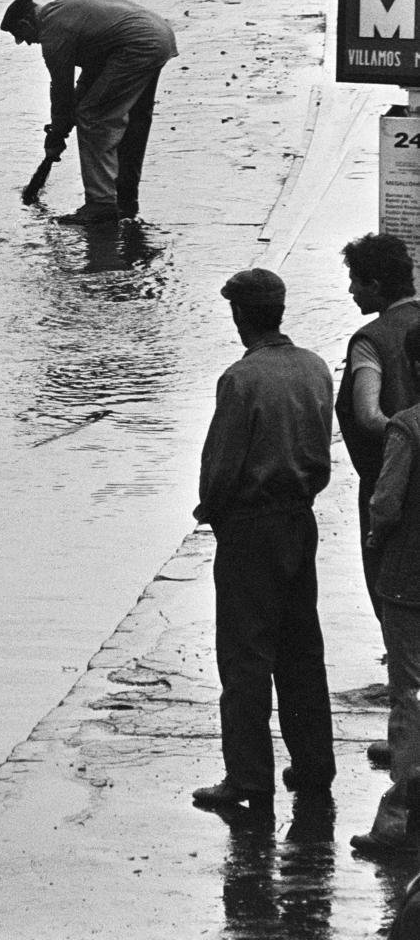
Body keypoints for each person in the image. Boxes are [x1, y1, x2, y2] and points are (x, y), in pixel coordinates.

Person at [192, 268, 336, 813]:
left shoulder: (241, 379)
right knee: (302, 648)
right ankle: (314, 764)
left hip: (252, 527)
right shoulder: (315, 368)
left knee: (245, 655)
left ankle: (249, 777)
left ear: (239, 316)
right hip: (301, 519)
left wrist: (212, 512)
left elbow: (222, 465)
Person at [0, 0, 177, 224]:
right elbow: (92, 75)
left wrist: (57, 134)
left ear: (25, 22)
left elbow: (61, 91)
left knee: (94, 117)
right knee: (135, 119)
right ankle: (126, 200)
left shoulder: (53, 30)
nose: (25, 42)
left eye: (20, 35)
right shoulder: (64, 9)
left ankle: (101, 204)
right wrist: (61, 127)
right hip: (158, 36)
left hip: (137, 45)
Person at [351, 324, 420, 858]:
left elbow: (386, 502)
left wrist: (377, 535)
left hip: (408, 581)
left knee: (411, 697)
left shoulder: (408, 428)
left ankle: (399, 818)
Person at [335, 233, 420, 619]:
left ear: (376, 285)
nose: (352, 290)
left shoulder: (370, 340)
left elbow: (367, 415)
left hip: (391, 479)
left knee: (391, 580)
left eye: (356, 281)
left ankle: (401, 673)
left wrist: (406, 438)